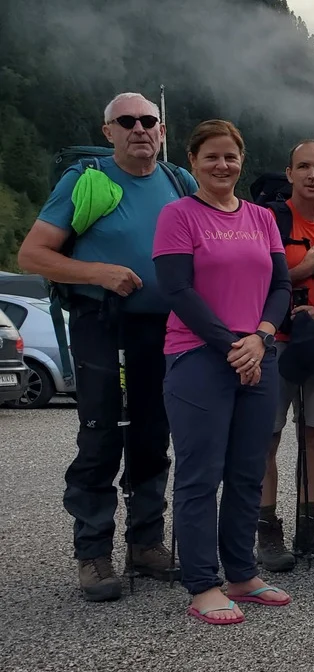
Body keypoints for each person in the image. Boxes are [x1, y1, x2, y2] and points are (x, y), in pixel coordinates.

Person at [17, 91, 197, 602]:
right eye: (127, 122)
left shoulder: (175, 182)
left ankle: (145, 543)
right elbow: (33, 254)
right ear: (108, 132)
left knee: (151, 435)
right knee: (100, 436)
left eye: (149, 121)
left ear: (162, 130)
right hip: (104, 325)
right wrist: (98, 273)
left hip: (161, 329)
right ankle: (93, 553)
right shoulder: (87, 181)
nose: (139, 129)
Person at [152, 119, 293, 625]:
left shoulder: (261, 217)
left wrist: (260, 336)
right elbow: (177, 290)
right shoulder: (178, 215)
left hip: (258, 352)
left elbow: (281, 286)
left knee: (247, 471)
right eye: (211, 156)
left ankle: (241, 572)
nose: (222, 165)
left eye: (230, 156)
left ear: (241, 160)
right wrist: (232, 344)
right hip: (198, 355)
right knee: (200, 473)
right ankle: (202, 582)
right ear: (193, 161)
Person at [255, 140, 314, 572]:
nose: (313, 175)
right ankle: (268, 531)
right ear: (289, 174)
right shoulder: (270, 220)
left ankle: (309, 527)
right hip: (274, 342)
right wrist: (300, 272)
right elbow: (250, 279)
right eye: (304, 167)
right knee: (267, 437)